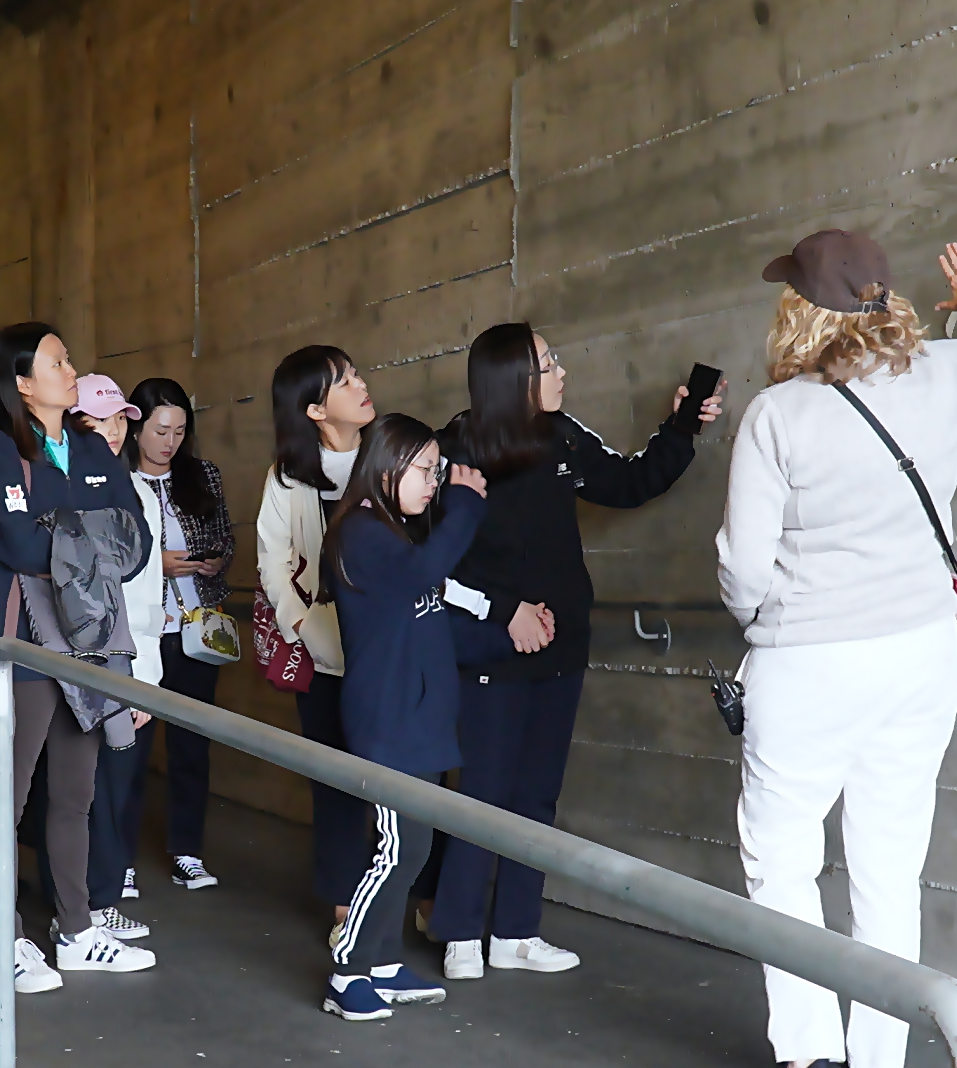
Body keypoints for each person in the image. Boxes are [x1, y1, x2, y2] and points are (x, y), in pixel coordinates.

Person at [717, 235, 957, 1068]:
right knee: (890, 862)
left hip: (809, 659)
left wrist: (766, 622)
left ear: (799, 311)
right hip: (922, 656)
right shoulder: (944, 378)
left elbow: (743, 567)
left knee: (783, 856)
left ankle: (807, 1057)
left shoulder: (777, 416)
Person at [429, 325, 723, 982]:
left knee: (536, 796)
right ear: (511, 379)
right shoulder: (452, 451)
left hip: (560, 649)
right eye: (547, 363)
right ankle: (458, 934)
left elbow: (629, 480)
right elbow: (425, 566)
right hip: (490, 650)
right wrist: (502, 612)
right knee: (478, 795)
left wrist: (682, 426)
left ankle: (515, 933)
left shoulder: (563, 435)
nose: (561, 372)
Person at [0, 322, 155, 989]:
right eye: (57, 362)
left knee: (75, 794)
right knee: (9, 797)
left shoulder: (90, 445)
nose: (71, 369)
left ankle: (76, 931)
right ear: (22, 382)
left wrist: (63, 533)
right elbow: (17, 544)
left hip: (89, 641)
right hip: (24, 644)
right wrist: (88, 534)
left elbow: (135, 538)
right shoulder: (0, 449)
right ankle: (4, 937)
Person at [318, 414, 476, 1022]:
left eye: (439, 472)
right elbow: (422, 575)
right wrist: (465, 505)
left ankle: (382, 964)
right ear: (388, 466)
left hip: (419, 719)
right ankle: (347, 970)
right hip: (388, 720)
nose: (435, 483)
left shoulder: (391, 534)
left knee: (414, 848)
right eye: (427, 470)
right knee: (395, 851)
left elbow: (428, 605)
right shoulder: (360, 532)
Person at [255, 345, 374, 916]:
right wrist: (299, 624)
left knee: (407, 780)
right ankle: (343, 908)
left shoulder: (388, 454)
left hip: (388, 649)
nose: (362, 384)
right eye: (345, 381)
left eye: (355, 374)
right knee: (334, 780)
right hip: (323, 651)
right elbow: (273, 561)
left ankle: (420, 900)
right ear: (314, 410)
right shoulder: (287, 477)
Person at [126, 376, 233, 890]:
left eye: (179, 431)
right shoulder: (117, 480)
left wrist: (213, 561)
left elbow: (225, 537)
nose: (170, 442)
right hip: (141, 635)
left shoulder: (202, 475)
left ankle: (187, 850)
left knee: (192, 746)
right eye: (160, 430)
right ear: (135, 428)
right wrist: (157, 565)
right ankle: (119, 857)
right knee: (129, 747)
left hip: (195, 632)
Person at [67, 374, 161, 932]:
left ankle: (101, 897)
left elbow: (146, 597)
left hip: (129, 662)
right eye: (99, 419)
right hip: (78, 661)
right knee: (84, 789)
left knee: (114, 784)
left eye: (121, 418)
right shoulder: (60, 486)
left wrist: (144, 676)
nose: (114, 430)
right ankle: (90, 908)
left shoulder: (137, 492)